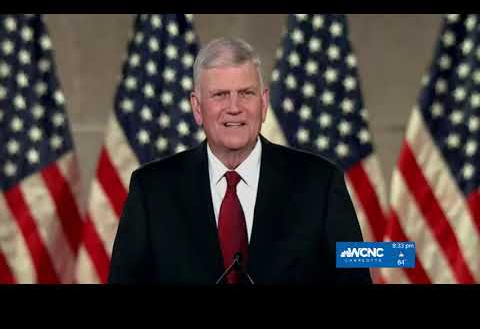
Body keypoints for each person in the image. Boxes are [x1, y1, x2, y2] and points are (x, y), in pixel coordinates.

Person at [108, 37, 372, 284]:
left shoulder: (320, 183)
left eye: (246, 93)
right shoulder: (152, 190)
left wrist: (403, 252)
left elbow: (356, 272)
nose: (234, 107)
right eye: (220, 95)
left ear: (264, 102)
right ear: (197, 108)